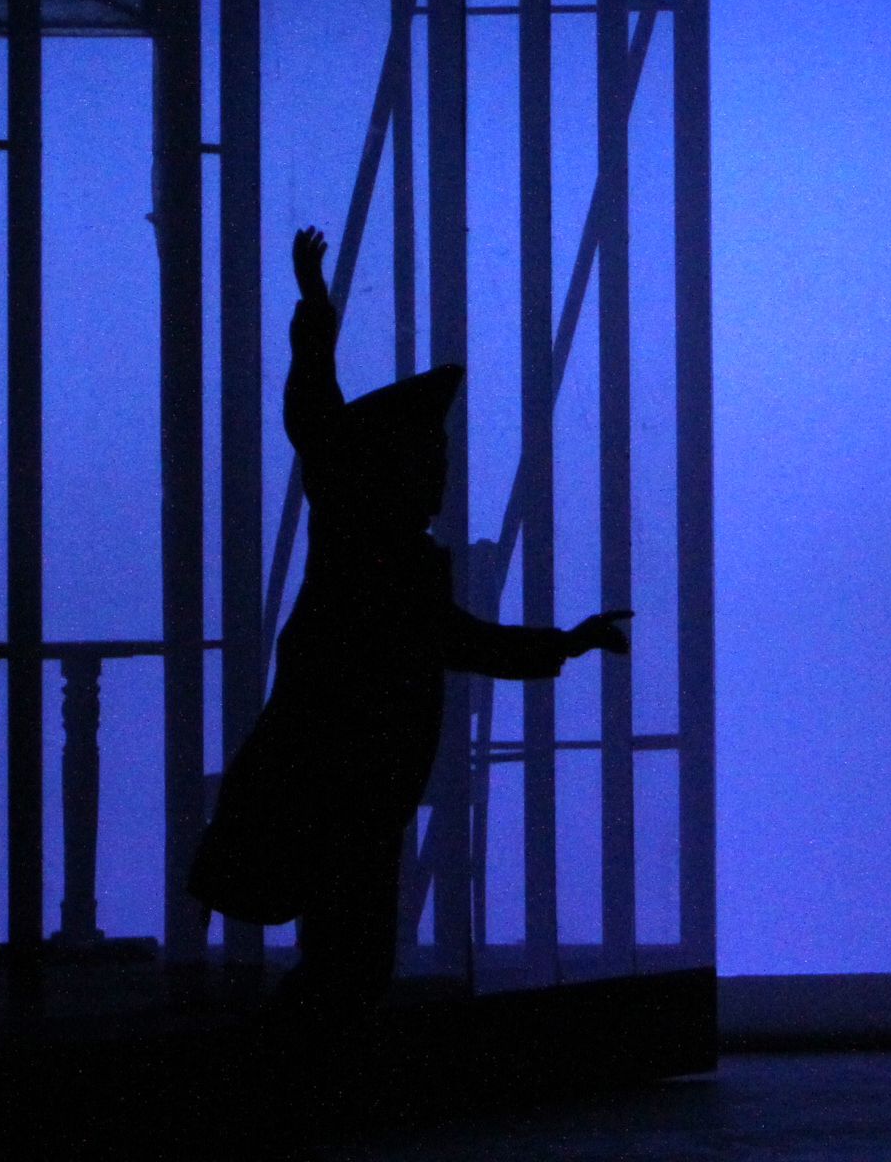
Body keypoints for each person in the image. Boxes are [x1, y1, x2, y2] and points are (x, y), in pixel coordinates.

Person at [191, 226, 630, 1015]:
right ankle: (329, 1006)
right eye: (430, 460)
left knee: (345, 898)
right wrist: (566, 643)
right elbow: (317, 417)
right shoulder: (368, 537)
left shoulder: (379, 543)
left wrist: (565, 642)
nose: (440, 476)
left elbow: (463, 638)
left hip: (366, 760)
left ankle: (325, 1000)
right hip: (357, 756)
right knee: (349, 897)